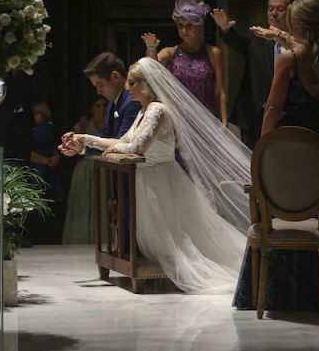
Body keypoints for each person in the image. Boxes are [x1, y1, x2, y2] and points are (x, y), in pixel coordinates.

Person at [67, 58, 251, 294]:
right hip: (146, 182)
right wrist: (83, 141)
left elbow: (137, 147)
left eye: (132, 83)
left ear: (147, 85)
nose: (127, 87)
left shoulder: (158, 110)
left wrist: (113, 148)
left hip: (161, 182)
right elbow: (123, 141)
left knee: (180, 240)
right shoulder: (144, 111)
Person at [231, 0, 319, 310]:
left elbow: (273, 107)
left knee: (281, 207)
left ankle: (278, 292)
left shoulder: (289, 59)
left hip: (288, 143)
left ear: (296, 23)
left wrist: (262, 150)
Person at [212, 0, 295, 147]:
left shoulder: (298, 44)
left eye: (280, 9)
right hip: (255, 116)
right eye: (270, 8)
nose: (274, 13)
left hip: (288, 115)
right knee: (253, 165)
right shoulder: (257, 39)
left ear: (291, 11)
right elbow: (238, 42)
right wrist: (226, 29)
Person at [141, 0, 228, 126]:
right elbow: (151, 66)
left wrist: (224, 121)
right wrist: (151, 48)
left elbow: (220, 91)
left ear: (199, 26)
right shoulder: (170, 52)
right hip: (179, 122)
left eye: (189, 25)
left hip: (208, 121)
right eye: (180, 25)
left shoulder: (214, 53)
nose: (184, 30)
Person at [59, 52, 140, 157]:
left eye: (100, 85)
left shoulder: (133, 101)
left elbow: (122, 145)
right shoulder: (112, 103)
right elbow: (104, 138)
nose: (98, 91)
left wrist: (84, 138)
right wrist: (80, 147)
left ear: (115, 76)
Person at [61, 97, 107, 244]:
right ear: (91, 108)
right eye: (97, 106)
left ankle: (105, 238)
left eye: (104, 106)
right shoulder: (83, 125)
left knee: (104, 203)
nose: (101, 109)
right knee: (84, 203)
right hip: (85, 168)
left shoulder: (112, 124)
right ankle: (81, 238)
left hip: (105, 166)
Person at [30, 101, 63, 201]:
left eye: (36, 114)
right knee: (49, 179)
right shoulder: (45, 127)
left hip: (43, 155)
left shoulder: (44, 127)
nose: (33, 117)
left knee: (38, 177)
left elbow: (37, 141)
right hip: (44, 156)